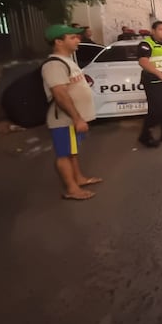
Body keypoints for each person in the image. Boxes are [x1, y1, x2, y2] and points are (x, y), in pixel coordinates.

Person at [41, 24, 102, 201]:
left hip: (73, 119)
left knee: (71, 151)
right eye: (72, 37)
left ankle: (79, 178)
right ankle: (72, 189)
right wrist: (76, 118)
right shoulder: (54, 64)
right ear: (58, 42)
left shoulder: (67, 60)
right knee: (64, 154)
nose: (78, 40)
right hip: (64, 119)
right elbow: (60, 94)